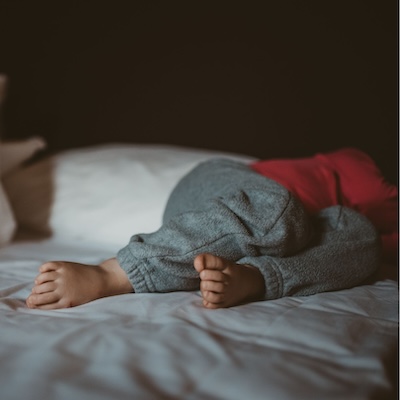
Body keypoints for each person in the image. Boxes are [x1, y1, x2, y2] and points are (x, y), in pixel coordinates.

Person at [26, 150, 387, 311]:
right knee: (277, 211)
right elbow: (373, 188)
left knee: (363, 237)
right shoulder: (365, 164)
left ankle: (252, 279)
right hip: (225, 188)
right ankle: (114, 272)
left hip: (272, 250)